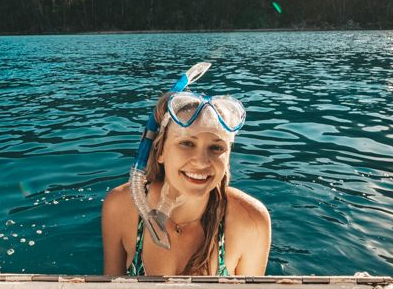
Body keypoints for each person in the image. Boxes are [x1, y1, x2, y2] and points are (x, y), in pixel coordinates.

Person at [102, 90, 271, 276]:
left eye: (216, 147)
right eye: (187, 144)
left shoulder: (250, 220)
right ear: (160, 151)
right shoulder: (121, 207)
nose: (201, 161)